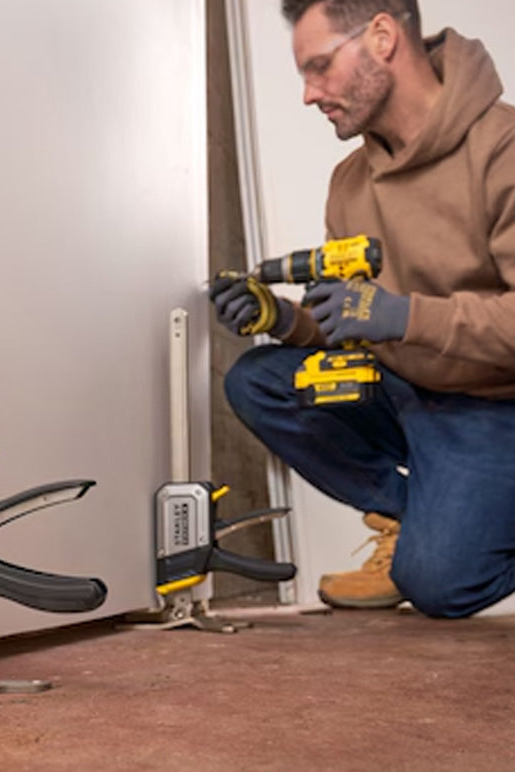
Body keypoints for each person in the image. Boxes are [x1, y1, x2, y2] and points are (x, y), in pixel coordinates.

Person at [210, 0, 515, 618]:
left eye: (319, 66)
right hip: (405, 388)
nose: (307, 94)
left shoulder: (502, 149)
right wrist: (283, 319)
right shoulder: (349, 181)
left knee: (441, 586)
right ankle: (410, 519)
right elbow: (352, 322)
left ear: (381, 37)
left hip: (494, 404)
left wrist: (405, 317)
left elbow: (394, 315)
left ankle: (451, 537)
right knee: (257, 381)